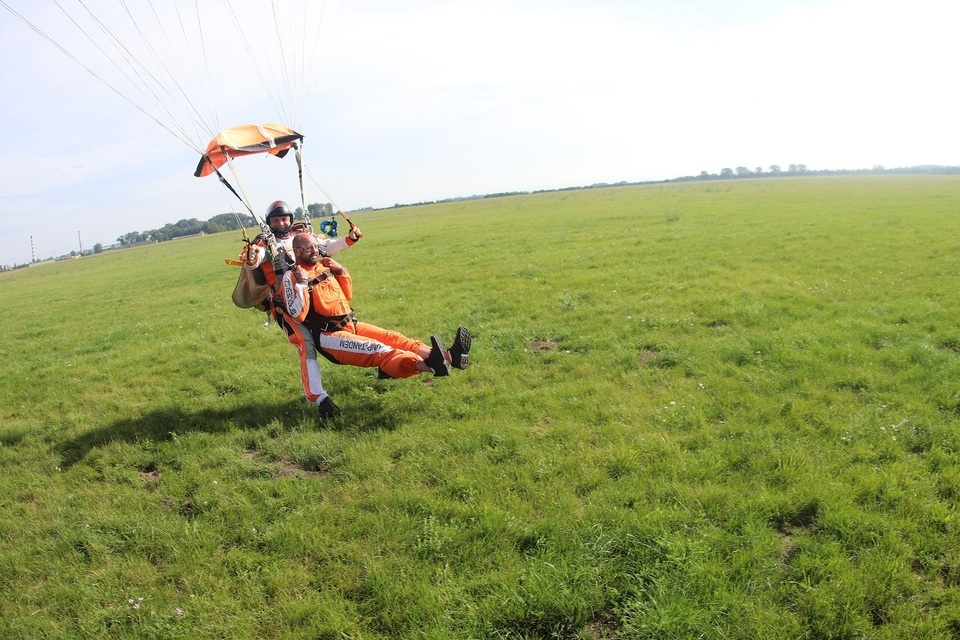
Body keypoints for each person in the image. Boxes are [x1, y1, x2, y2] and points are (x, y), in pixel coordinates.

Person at [279, 231, 471, 384]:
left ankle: (449, 357)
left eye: (315, 247)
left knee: (396, 339)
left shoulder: (323, 266)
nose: (314, 251)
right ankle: (431, 366)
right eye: (307, 248)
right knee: (380, 350)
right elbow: (298, 314)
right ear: (296, 252)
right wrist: (303, 284)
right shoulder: (293, 276)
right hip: (329, 336)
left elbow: (346, 296)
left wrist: (341, 271)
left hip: (350, 324)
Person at [239, 200, 362, 418]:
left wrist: (350, 239)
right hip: (286, 306)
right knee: (306, 345)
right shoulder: (265, 243)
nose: (281, 223)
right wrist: (249, 257)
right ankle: (319, 398)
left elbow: (328, 246)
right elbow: (254, 259)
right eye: (276, 220)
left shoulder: (303, 236)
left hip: (314, 301)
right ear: (269, 222)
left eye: (284, 219)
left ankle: (380, 359)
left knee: (341, 332)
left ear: (290, 219)